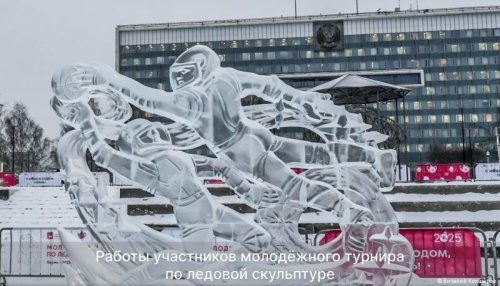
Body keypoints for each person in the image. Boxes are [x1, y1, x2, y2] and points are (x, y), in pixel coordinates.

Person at [52, 46, 375, 250]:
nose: (178, 80)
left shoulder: (191, 101)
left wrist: (104, 76)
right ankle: (373, 158)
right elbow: (270, 87)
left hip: (238, 148)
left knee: (295, 183)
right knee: (312, 156)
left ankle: (352, 211)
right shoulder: (229, 79)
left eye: (182, 74)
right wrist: (300, 101)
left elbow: (146, 97)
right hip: (250, 140)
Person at [52, 97, 276, 255]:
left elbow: (219, 166)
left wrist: (248, 190)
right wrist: (86, 123)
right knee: (198, 269)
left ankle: (230, 274)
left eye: (153, 128)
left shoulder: (181, 156)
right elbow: (102, 155)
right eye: (145, 133)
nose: (154, 133)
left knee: (260, 239)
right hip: (195, 222)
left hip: (215, 211)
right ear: (133, 143)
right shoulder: (144, 168)